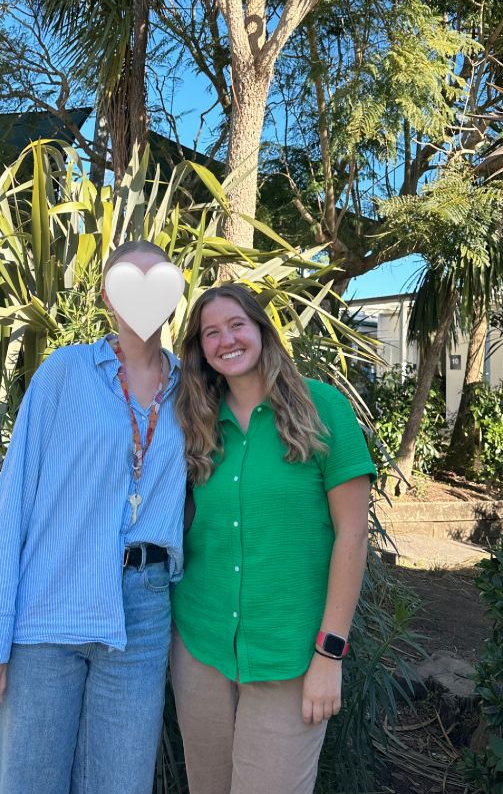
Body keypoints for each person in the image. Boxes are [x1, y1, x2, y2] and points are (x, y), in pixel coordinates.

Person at [0, 240, 186, 794]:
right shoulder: (64, 373)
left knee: (120, 786)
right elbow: (14, 502)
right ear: (108, 295)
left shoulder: (193, 391)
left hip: (142, 618)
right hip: (50, 607)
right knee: (30, 782)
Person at [171, 283, 377, 794]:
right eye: (211, 333)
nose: (226, 340)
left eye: (237, 325)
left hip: (291, 655)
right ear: (201, 349)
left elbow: (352, 535)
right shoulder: (196, 423)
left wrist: (330, 656)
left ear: (262, 330)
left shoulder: (322, 407)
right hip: (201, 646)